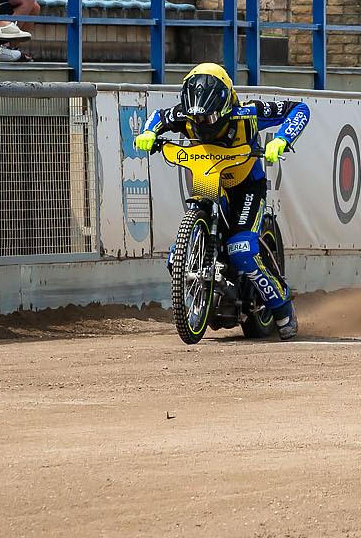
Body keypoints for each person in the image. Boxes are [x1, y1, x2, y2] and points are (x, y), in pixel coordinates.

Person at [129, 63, 310, 338]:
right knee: (175, 259)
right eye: (197, 119)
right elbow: (158, 116)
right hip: (208, 182)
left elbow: (298, 109)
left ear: (225, 107)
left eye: (210, 118)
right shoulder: (185, 114)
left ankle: (281, 305)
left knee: (241, 249)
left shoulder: (248, 113)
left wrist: (282, 139)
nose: (202, 124)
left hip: (246, 186)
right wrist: (148, 133)